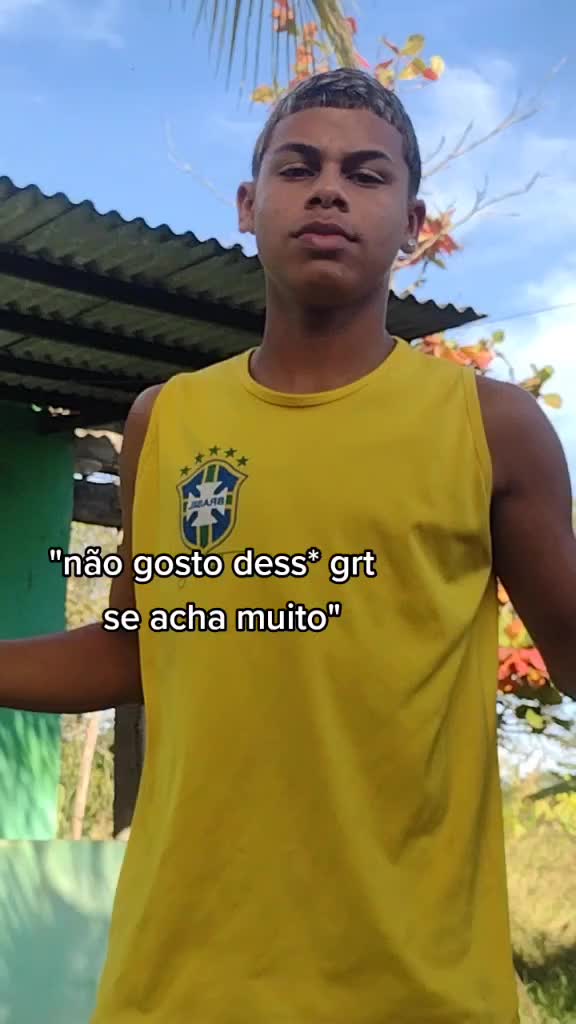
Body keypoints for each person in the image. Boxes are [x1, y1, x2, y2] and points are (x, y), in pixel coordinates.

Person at [2, 68, 575, 1023]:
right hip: (175, 983)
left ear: (413, 223)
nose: (329, 192)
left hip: (415, 991)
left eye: (366, 174)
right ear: (248, 204)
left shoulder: (491, 427)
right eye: (299, 167)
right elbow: (133, 649)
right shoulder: (165, 420)